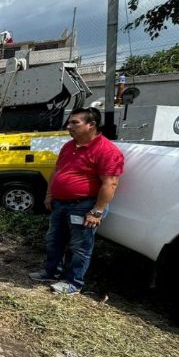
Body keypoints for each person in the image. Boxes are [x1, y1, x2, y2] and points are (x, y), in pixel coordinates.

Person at [28, 107, 124, 295]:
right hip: (61, 204)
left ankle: (73, 282)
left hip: (84, 206)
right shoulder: (69, 146)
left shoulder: (107, 151)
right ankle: (51, 272)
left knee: (80, 246)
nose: (68, 126)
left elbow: (110, 183)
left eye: (74, 123)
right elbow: (56, 172)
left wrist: (97, 211)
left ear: (91, 125)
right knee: (54, 240)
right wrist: (49, 195)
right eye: (69, 122)